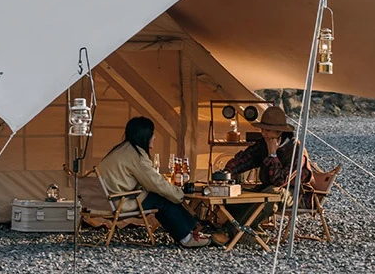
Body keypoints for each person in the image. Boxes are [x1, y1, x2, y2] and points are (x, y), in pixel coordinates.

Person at [97, 116, 210, 248]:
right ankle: (188, 235)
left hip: (104, 201)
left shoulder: (121, 150)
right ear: (144, 136)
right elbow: (156, 183)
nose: (155, 137)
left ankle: (188, 232)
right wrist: (179, 195)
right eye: (152, 134)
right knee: (163, 197)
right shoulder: (136, 156)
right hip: (119, 202)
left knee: (161, 198)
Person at [212, 105, 312, 244]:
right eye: (262, 129)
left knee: (271, 195)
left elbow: (280, 181)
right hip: (268, 189)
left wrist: (272, 154)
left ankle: (229, 232)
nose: (263, 132)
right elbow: (246, 158)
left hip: (293, 193)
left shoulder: (296, 150)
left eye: (267, 130)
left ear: (279, 132)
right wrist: (228, 171)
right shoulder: (263, 144)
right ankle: (252, 232)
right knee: (237, 192)